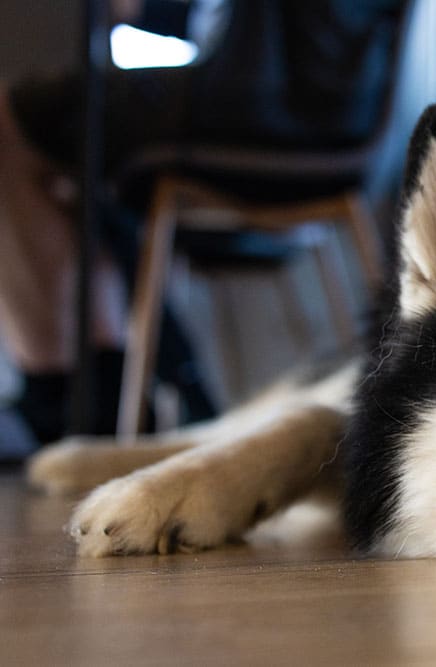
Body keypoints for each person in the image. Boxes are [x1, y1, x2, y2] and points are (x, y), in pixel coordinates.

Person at [0, 0, 406, 455]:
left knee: (13, 121)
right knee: (76, 161)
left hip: (269, 91)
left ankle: (62, 395)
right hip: (327, 95)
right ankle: (95, 391)